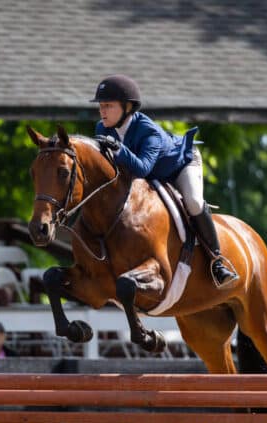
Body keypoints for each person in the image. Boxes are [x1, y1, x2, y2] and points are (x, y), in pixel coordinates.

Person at [91, 74, 239, 287]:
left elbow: (142, 169)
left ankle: (217, 261)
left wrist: (118, 149)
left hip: (180, 165)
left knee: (194, 202)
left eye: (108, 105)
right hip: (151, 173)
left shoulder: (149, 132)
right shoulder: (102, 128)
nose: (102, 111)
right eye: (100, 106)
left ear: (127, 107)